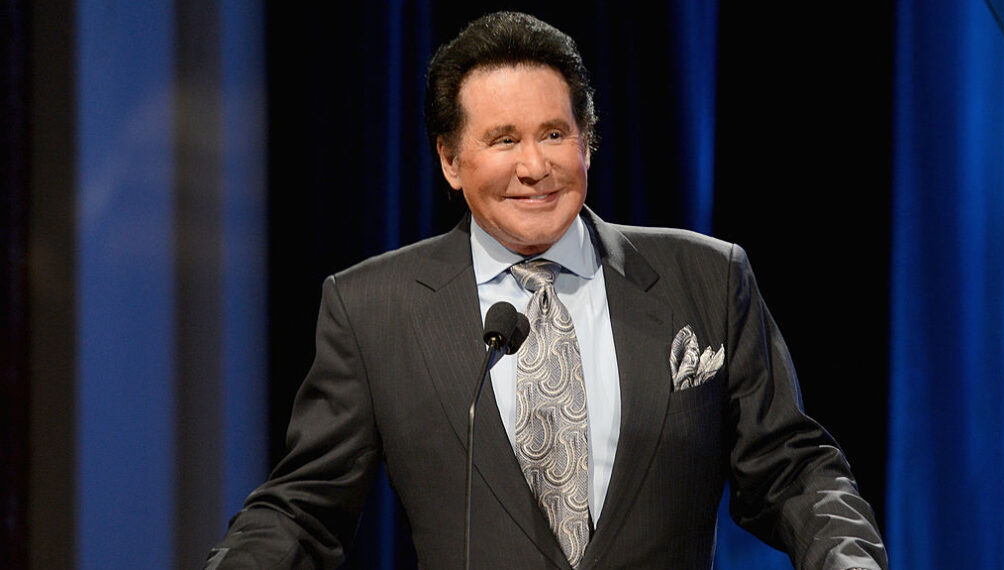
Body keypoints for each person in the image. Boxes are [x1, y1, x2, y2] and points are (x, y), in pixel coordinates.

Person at [206, 12, 886, 570]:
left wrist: (849, 560)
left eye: (554, 134)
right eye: (503, 140)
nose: (535, 167)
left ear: (588, 142)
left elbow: (792, 470)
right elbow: (306, 507)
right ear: (449, 159)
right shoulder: (374, 308)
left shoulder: (705, 277)